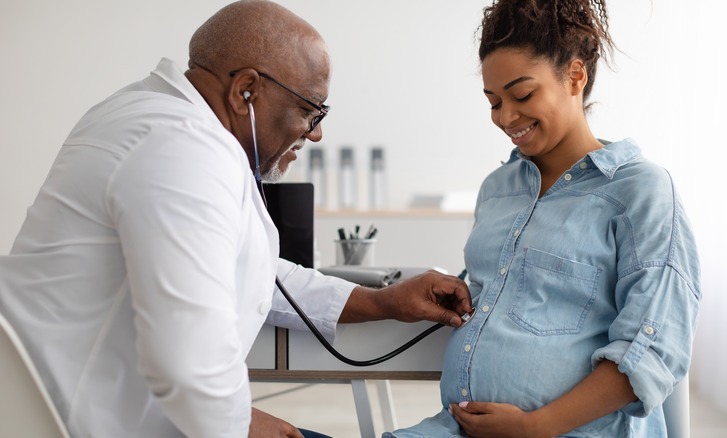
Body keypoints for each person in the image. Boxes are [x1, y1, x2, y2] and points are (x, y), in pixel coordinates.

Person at [0, 1, 472, 437]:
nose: (317, 133)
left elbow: (255, 274)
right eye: (310, 111)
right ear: (246, 90)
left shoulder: (163, 122)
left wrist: (383, 301)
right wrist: (240, 424)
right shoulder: (182, 150)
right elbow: (189, 364)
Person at [385, 0, 701, 437]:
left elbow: (652, 347)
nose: (504, 117)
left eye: (522, 95)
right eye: (493, 101)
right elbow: (518, 298)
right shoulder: (498, 188)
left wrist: (537, 426)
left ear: (575, 76)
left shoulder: (641, 191)